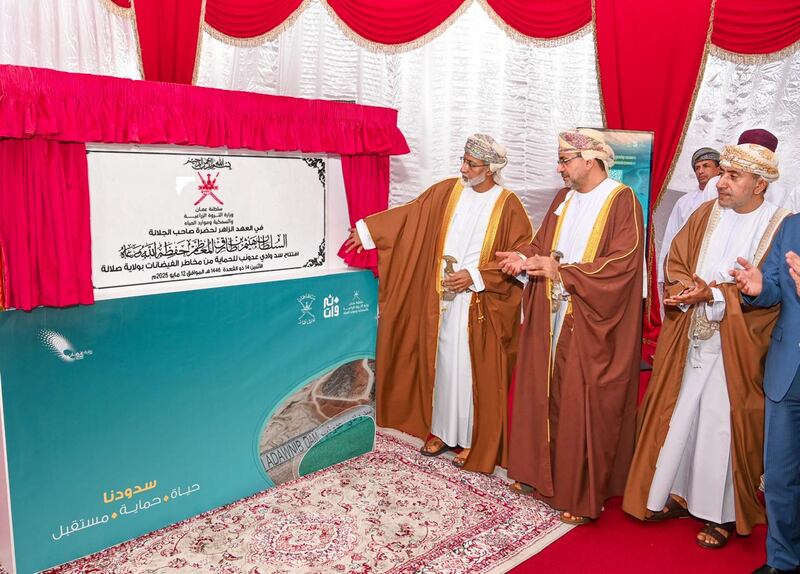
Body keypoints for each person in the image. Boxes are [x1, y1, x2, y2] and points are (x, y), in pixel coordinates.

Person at [623, 129, 790, 550]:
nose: (720, 182)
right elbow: (676, 260)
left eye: (733, 176)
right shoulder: (706, 213)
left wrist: (714, 295)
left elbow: (772, 293)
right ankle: (678, 494)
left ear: (759, 184)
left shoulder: (781, 225)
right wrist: (687, 290)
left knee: (720, 426)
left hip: (739, 345)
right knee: (682, 415)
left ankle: (723, 514)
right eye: (723, 173)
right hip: (691, 334)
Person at [344, 134, 533, 473]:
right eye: (463, 160)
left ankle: (473, 439)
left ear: (490, 169)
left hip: (479, 304)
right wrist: (368, 232)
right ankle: (443, 433)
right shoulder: (447, 191)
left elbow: (519, 256)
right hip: (441, 298)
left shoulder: (508, 205)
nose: (463, 168)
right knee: (444, 366)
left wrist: (474, 276)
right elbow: (410, 216)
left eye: (471, 164)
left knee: (470, 371)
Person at [497, 128, 644, 524]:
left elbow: (623, 262)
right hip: (552, 311)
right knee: (543, 392)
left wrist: (564, 273)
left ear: (590, 161)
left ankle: (577, 492)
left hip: (590, 317)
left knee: (578, 400)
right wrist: (522, 257)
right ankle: (537, 474)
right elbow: (541, 245)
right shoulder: (563, 198)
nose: (559, 168)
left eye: (565, 161)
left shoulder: (622, 200)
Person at [732, 214, 800, 574]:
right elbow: (773, 284)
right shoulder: (792, 226)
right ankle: (783, 559)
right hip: (787, 369)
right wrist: (757, 288)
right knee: (780, 476)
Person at [657, 147, 721, 311]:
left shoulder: (727, 200)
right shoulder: (684, 202)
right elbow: (671, 238)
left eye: (706, 166)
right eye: (697, 168)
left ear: (719, 168)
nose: (700, 171)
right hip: (686, 268)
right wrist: (664, 277)